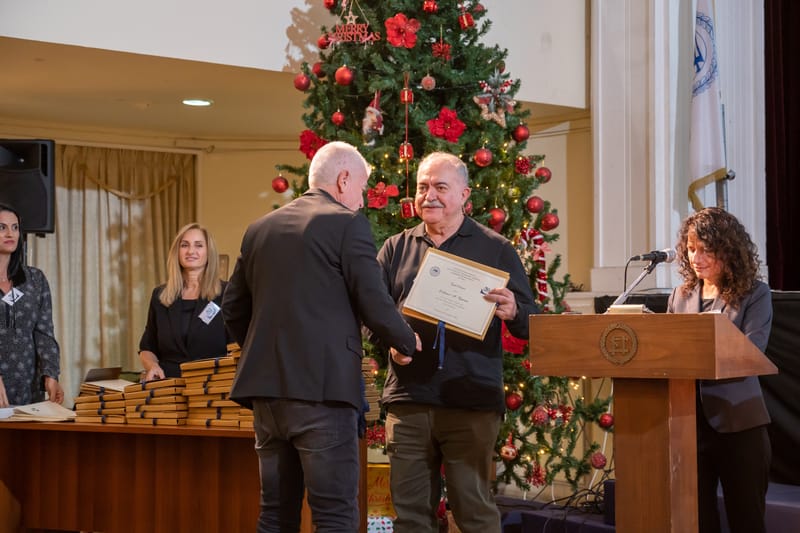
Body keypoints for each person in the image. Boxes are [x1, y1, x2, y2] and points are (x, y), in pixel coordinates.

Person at [222, 141, 421, 533]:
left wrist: (262, 353)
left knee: (275, 513)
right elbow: (373, 299)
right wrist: (406, 340)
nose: (362, 200)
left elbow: (232, 308)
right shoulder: (347, 223)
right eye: (362, 188)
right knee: (334, 516)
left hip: (266, 395)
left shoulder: (260, 228)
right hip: (323, 395)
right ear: (343, 179)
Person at [375, 152, 540, 533]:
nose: (429, 195)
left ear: (465, 195)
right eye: (422, 187)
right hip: (409, 400)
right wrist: (391, 343)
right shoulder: (395, 249)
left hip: (471, 401)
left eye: (440, 187)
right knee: (411, 518)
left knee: (475, 514)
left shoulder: (495, 248)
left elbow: (531, 324)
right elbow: (371, 316)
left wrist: (514, 309)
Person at [668, 207, 772, 533]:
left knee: (746, 519)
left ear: (727, 249)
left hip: (738, 424)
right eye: (690, 248)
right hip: (688, 425)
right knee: (697, 521)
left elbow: (752, 352)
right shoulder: (681, 295)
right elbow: (667, 351)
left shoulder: (754, 293)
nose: (695, 257)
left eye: (705, 249)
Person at [138, 222, 229, 380]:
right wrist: (152, 366)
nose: (191, 251)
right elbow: (147, 347)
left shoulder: (227, 293)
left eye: (199, 245)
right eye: (184, 245)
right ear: (177, 252)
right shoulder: (160, 296)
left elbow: (239, 347)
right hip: (169, 386)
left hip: (213, 387)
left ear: (209, 252)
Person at [0, 203, 64, 407]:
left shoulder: (35, 279)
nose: (10, 233)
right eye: (1, 227)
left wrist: (51, 375)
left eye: (15, 227)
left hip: (29, 391)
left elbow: (44, 333)